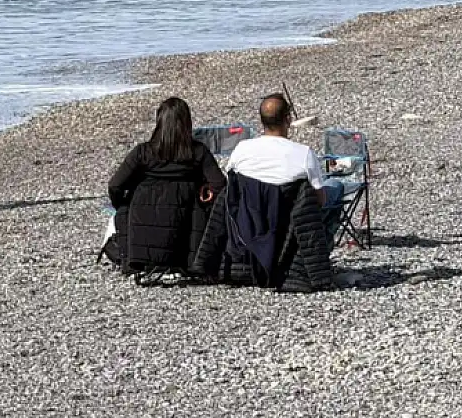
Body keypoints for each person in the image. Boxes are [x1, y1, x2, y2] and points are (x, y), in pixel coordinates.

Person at [192, 93, 336, 292]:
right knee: (335, 189)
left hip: (248, 222)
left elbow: (232, 190)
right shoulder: (303, 154)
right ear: (288, 119)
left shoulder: (242, 149)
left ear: (261, 121)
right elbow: (319, 200)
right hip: (287, 226)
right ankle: (318, 254)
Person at [106, 97, 225, 281]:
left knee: (124, 210)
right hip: (185, 226)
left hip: (143, 221)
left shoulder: (143, 152)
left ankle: (133, 259)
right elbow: (219, 185)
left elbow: (115, 185)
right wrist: (204, 193)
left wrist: (123, 204)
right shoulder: (197, 152)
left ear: (159, 123)